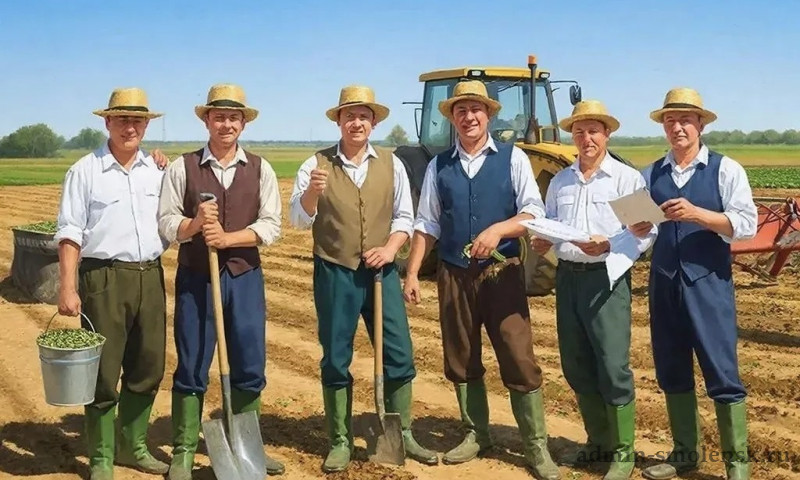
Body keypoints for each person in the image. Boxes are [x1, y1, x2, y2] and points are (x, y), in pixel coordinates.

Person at [403, 80, 560, 480]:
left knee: (518, 355)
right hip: (454, 274)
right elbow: (427, 223)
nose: (469, 117)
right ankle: (477, 433)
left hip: (501, 273)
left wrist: (499, 230)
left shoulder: (513, 158)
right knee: (461, 355)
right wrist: (413, 272)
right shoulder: (439, 165)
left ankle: (535, 446)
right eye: (461, 110)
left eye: (476, 109)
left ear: (488, 114)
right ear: (452, 118)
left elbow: (533, 213)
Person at [288, 85, 438, 473]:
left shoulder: (392, 163)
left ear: (373, 123)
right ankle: (339, 440)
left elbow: (405, 217)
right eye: (350, 116)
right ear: (339, 121)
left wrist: (390, 249)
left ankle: (403, 432)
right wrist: (312, 194)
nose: (357, 122)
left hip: (381, 271)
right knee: (336, 356)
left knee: (399, 352)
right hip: (335, 270)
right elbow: (299, 220)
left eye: (364, 117)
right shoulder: (316, 164)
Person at [157, 83, 284, 479]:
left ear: (243, 123)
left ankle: (248, 447)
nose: (226, 124)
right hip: (198, 278)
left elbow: (271, 225)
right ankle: (183, 450)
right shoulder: (182, 167)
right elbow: (166, 223)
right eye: (219, 117)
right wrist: (196, 224)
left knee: (249, 361)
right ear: (206, 121)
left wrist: (228, 239)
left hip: (245, 278)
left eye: (233, 118)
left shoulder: (261, 169)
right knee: (193, 360)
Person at [531, 100, 657, 480]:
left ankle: (623, 453)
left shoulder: (625, 179)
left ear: (607, 134)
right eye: (580, 131)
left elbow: (646, 232)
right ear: (573, 136)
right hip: (567, 279)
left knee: (612, 365)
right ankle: (598, 442)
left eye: (594, 131)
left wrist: (609, 245)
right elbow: (553, 224)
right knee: (576, 363)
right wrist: (544, 240)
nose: (586, 138)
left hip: (607, 279)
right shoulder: (561, 181)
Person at [638, 88, 757, 480]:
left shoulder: (725, 169)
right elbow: (643, 233)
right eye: (670, 121)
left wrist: (699, 215)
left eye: (685, 120)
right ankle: (685, 454)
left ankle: (736, 467)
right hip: (664, 283)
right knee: (672, 368)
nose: (678, 128)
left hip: (709, 284)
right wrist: (637, 226)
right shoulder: (650, 174)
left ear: (701, 124)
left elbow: (746, 225)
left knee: (722, 373)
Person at [55, 87, 171, 480]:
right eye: (122, 119)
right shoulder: (84, 171)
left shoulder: (157, 170)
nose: (130, 127)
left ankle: (132, 447)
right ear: (107, 122)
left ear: (146, 125)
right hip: (103, 278)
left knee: (149, 366)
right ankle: (102, 458)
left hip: (149, 275)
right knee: (104, 373)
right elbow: (70, 232)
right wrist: (67, 286)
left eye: (137, 120)